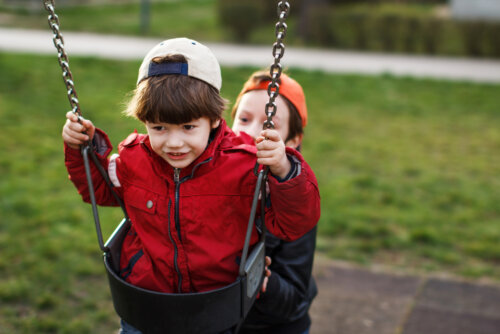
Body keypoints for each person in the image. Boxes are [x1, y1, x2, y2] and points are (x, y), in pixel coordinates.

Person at [61, 38, 320, 333]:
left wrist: (284, 169)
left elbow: (294, 223)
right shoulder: (134, 159)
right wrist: (83, 148)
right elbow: (99, 192)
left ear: (213, 119)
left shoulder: (245, 166)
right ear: (143, 121)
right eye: (158, 127)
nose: (173, 143)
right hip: (146, 302)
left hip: (215, 308)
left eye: (187, 127)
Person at [231, 70, 318, 334]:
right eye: (244, 119)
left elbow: (293, 297)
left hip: (273, 326)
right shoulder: (214, 173)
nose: (252, 132)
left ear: (293, 141)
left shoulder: (297, 198)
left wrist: (265, 283)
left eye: (270, 124)